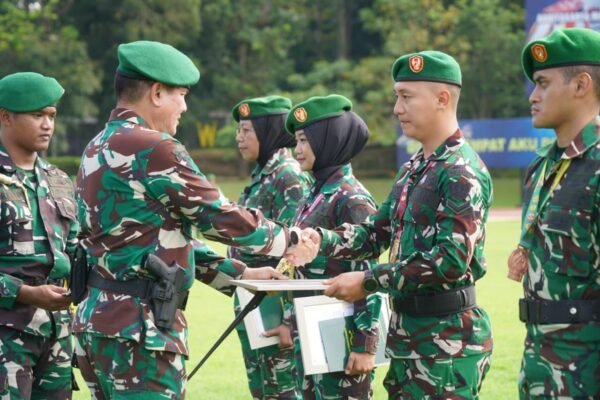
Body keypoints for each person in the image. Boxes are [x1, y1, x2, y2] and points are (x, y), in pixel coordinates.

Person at [73, 40, 292, 399]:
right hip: (140, 332)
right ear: (157, 92)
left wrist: (241, 274)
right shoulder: (154, 147)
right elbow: (219, 216)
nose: (185, 107)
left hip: (98, 326)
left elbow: (155, 238)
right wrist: (290, 241)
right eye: (182, 95)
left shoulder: (97, 146)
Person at [288, 52, 494, 399]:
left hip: (446, 341)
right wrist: (320, 239)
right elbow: (375, 233)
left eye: (406, 97)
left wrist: (368, 280)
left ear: (442, 99)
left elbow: (450, 260)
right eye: (397, 97)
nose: (397, 108)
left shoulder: (460, 170)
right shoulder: (414, 168)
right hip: (409, 335)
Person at [270, 94, 382, 400]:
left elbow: (369, 274)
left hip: (341, 334)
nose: (297, 149)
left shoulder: (351, 198)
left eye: (305, 141)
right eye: (296, 141)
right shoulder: (315, 193)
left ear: (328, 141)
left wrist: (365, 344)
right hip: (309, 329)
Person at [508, 27, 600, 399]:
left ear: (581, 85)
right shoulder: (541, 167)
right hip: (540, 366)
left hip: (587, 373)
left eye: (543, 84)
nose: (533, 96)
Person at [0, 72, 78, 399]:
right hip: (6, 337)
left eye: (51, 115)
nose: (47, 125)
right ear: (6, 117)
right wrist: (26, 293)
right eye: (36, 115)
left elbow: (76, 250)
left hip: (56, 336)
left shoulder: (59, 180)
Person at [228, 95, 311, 399]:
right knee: (263, 390)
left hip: (275, 307)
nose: (239, 138)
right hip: (253, 301)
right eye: (238, 130)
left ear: (269, 131)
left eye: (247, 130)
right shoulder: (263, 175)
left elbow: (295, 250)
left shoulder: (288, 176)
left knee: (283, 391)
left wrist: (289, 317)